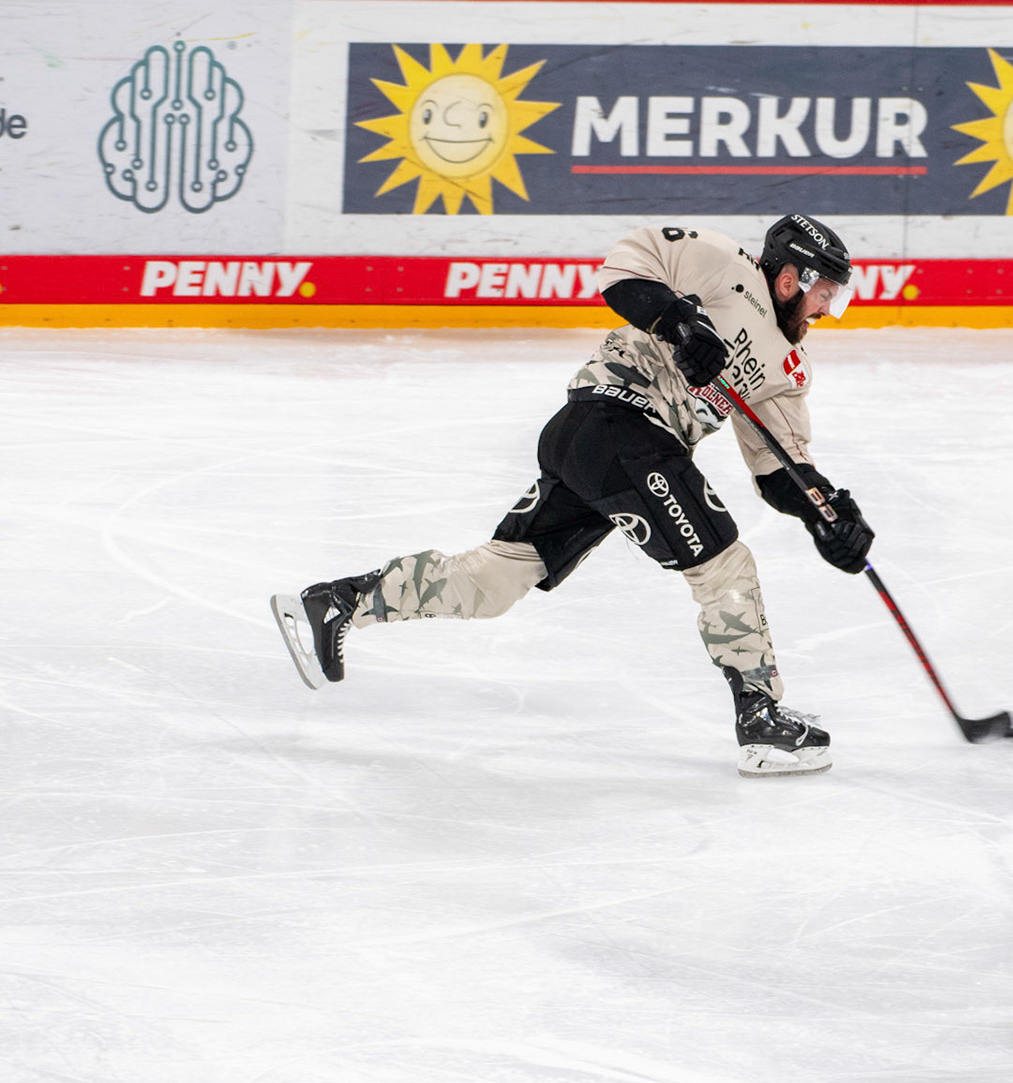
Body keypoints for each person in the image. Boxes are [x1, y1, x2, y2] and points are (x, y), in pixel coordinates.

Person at [271, 214, 875, 778]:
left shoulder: (789, 366)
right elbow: (626, 264)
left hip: (601, 447)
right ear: (792, 279)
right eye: (826, 294)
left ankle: (335, 603)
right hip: (619, 423)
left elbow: (780, 466)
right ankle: (760, 719)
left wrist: (828, 512)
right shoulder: (726, 265)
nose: (829, 310)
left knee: (494, 581)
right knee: (723, 565)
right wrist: (676, 320)